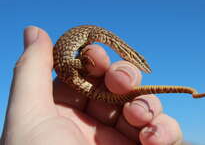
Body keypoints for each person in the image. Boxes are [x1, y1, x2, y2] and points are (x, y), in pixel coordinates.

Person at [1, 26, 182, 145]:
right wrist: (83, 60)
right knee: (95, 60)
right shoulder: (96, 35)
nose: (141, 63)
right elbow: (90, 42)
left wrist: (84, 57)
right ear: (132, 54)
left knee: (98, 63)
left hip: (72, 73)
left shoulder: (97, 36)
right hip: (68, 67)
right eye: (140, 60)